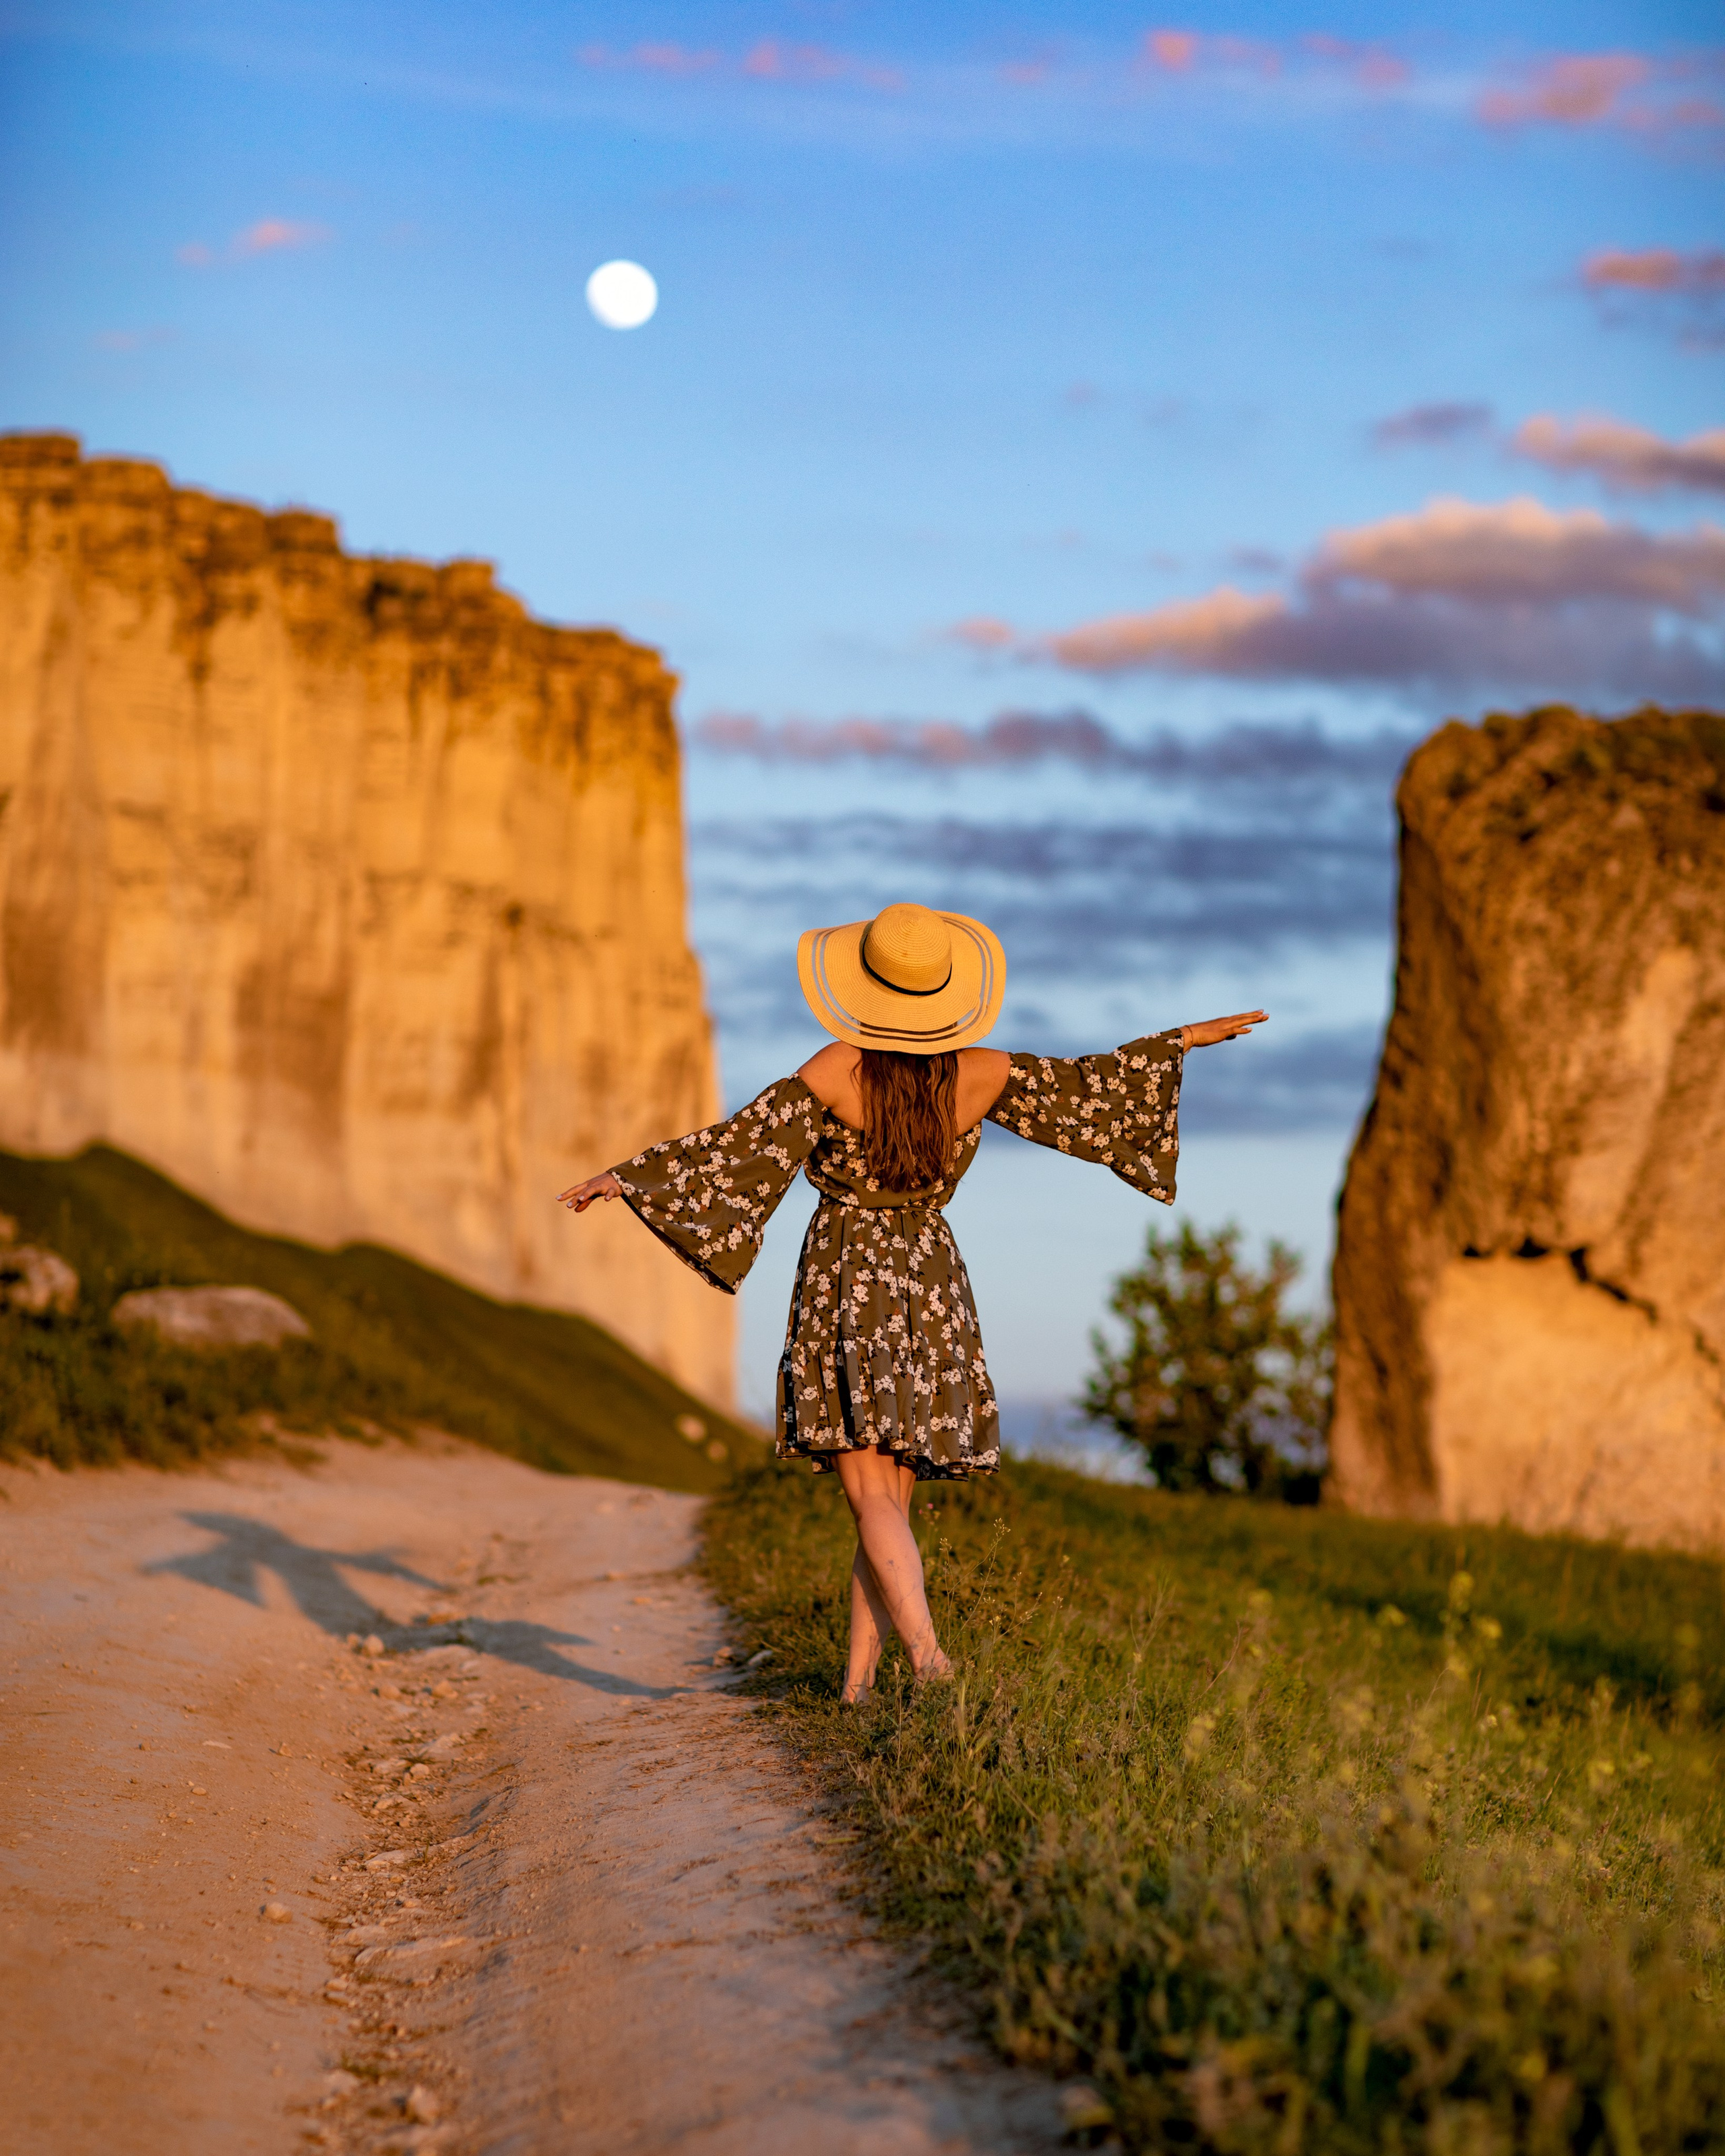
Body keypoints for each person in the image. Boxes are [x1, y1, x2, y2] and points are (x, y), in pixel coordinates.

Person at [559, 901, 1265, 1705]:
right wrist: (1180, 1041)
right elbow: (1092, 1088)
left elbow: (739, 1148)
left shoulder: (835, 1069)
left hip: (846, 1271)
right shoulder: (984, 1072)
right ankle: (856, 1687)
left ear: (866, 988)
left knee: (870, 1499)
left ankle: (928, 1658)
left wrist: (629, 1178)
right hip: (929, 1279)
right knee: (887, 1501)